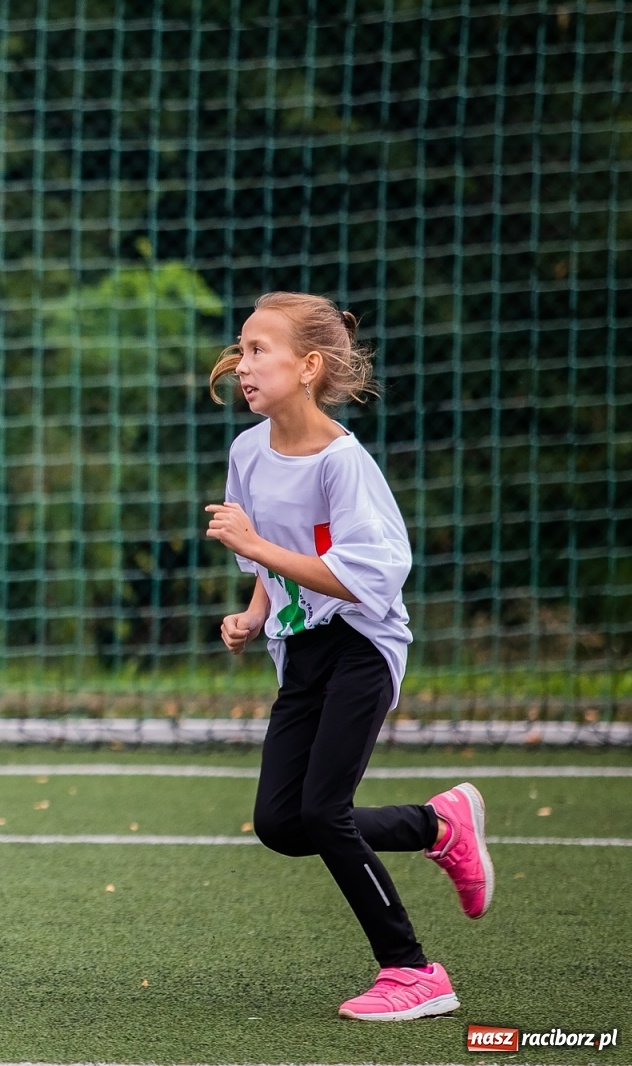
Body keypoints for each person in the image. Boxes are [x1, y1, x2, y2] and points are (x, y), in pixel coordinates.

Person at [204, 292, 494, 1021]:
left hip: (362, 645)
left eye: (260, 348)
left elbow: (366, 579)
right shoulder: (247, 450)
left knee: (325, 811)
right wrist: (252, 613)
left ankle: (413, 970)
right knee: (282, 823)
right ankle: (438, 825)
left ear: (307, 366)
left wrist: (258, 549)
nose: (244, 363)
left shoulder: (343, 463)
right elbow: (273, 570)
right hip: (300, 652)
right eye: (241, 348)